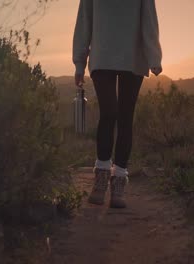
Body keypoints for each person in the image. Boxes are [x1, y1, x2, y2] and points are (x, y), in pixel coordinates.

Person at [72, 0, 162, 208]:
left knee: (125, 118)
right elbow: (84, 21)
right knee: (109, 113)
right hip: (102, 57)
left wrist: (154, 56)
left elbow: (149, 20)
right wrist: (79, 62)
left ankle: (119, 178)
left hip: (133, 57)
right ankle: (102, 175)